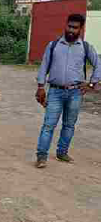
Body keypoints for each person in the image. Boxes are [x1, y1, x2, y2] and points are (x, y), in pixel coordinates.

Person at [35, 14, 100, 168]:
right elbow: (44, 66)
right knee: (48, 125)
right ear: (66, 25)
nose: (71, 30)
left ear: (80, 29)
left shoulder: (85, 47)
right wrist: (40, 86)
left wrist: (91, 84)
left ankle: (62, 152)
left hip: (75, 93)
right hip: (55, 92)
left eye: (75, 27)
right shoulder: (54, 45)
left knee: (69, 125)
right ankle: (41, 156)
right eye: (69, 26)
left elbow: (99, 64)